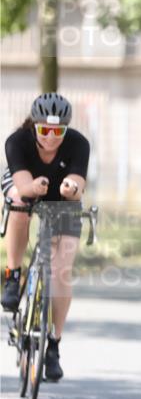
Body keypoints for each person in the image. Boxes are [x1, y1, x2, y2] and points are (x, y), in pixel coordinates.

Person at [1, 93, 90, 382]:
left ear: (66, 130)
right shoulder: (17, 142)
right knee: (20, 203)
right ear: (34, 127)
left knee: (62, 270)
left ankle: (53, 344)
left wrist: (70, 188)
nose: (51, 138)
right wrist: (31, 187)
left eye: (58, 132)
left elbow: (78, 181)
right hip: (24, 183)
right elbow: (23, 184)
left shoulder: (78, 144)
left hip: (61, 198)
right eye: (45, 131)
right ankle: (13, 276)